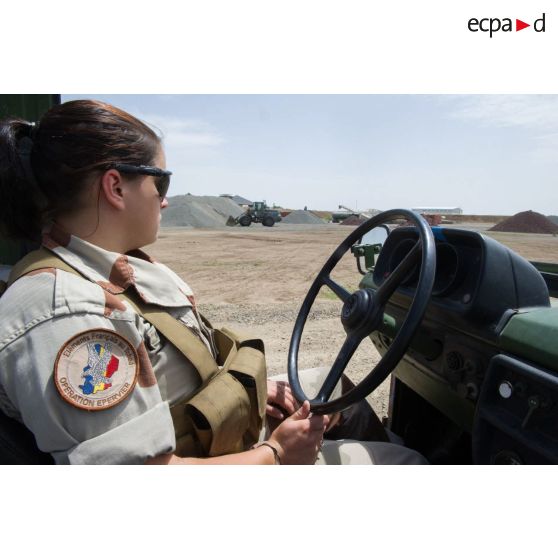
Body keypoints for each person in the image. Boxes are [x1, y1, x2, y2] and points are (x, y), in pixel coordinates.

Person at [0, 99, 427, 465]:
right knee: (412, 465)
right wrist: (275, 455)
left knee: (337, 392)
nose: (165, 198)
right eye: (159, 180)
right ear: (115, 186)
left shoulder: (108, 267)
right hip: (214, 462)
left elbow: (176, 375)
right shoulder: (69, 313)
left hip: (214, 430)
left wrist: (257, 395)